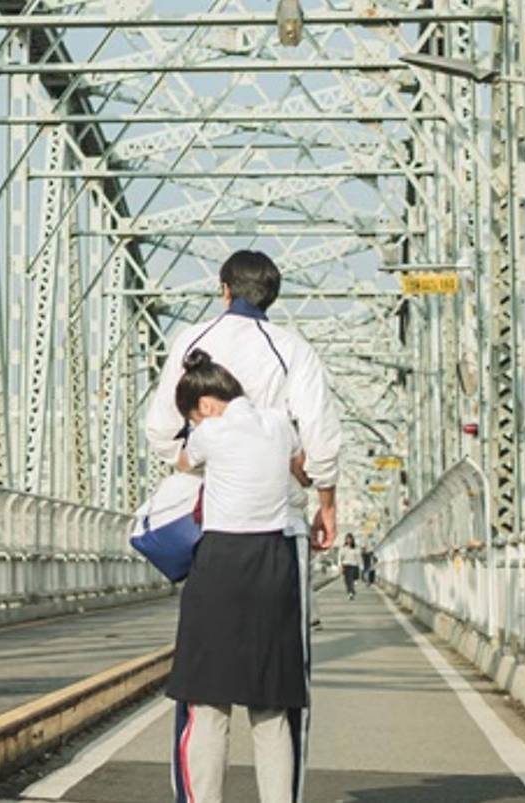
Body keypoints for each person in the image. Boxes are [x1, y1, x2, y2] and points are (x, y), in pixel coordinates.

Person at [146, 250, 341, 802]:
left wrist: (209, 460)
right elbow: (321, 444)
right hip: (280, 543)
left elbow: (161, 432)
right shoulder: (292, 349)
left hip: (213, 541)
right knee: (277, 698)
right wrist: (326, 502)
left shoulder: (192, 339)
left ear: (224, 289)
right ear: (272, 295)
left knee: (203, 696)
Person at [167, 349, 307, 803]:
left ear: (205, 405)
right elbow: (302, 468)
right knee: (271, 710)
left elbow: (183, 463)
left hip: (220, 564)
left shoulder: (210, 432)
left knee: (208, 705)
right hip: (273, 563)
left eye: (193, 416)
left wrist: (193, 438)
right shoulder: (280, 425)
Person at [339, 533, 361, 600]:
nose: (348, 540)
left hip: (353, 566)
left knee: (350, 580)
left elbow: (358, 557)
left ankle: (351, 593)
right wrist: (340, 566)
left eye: (350, 539)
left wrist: (360, 566)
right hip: (345, 565)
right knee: (347, 581)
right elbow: (340, 558)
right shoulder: (343, 548)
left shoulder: (356, 548)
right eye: (347, 539)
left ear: (352, 539)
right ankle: (350, 592)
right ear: (345, 540)